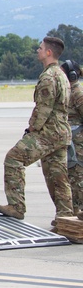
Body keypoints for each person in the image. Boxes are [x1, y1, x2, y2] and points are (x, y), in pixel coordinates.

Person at [0, 36, 73, 221]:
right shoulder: (62, 75)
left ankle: (16, 206)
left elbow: (43, 109)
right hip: (62, 132)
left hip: (48, 132)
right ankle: (65, 216)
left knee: (14, 159)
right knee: (58, 175)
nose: (37, 51)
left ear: (48, 53)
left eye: (40, 48)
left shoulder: (48, 76)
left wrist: (32, 129)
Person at [60, 59, 83, 216]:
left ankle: (78, 211)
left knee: (77, 177)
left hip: (78, 142)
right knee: (70, 176)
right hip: (71, 140)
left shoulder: (77, 93)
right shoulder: (68, 91)